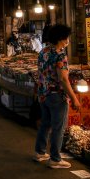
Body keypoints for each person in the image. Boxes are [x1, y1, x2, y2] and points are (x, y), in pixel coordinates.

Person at [33, 24, 80, 169]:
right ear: (62, 39)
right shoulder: (60, 55)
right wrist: (74, 98)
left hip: (43, 94)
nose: (68, 40)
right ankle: (55, 159)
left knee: (45, 124)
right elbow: (63, 79)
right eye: (67, 37)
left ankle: (40, 152)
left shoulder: (43, 51)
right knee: (58, 127)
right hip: (56, 96)